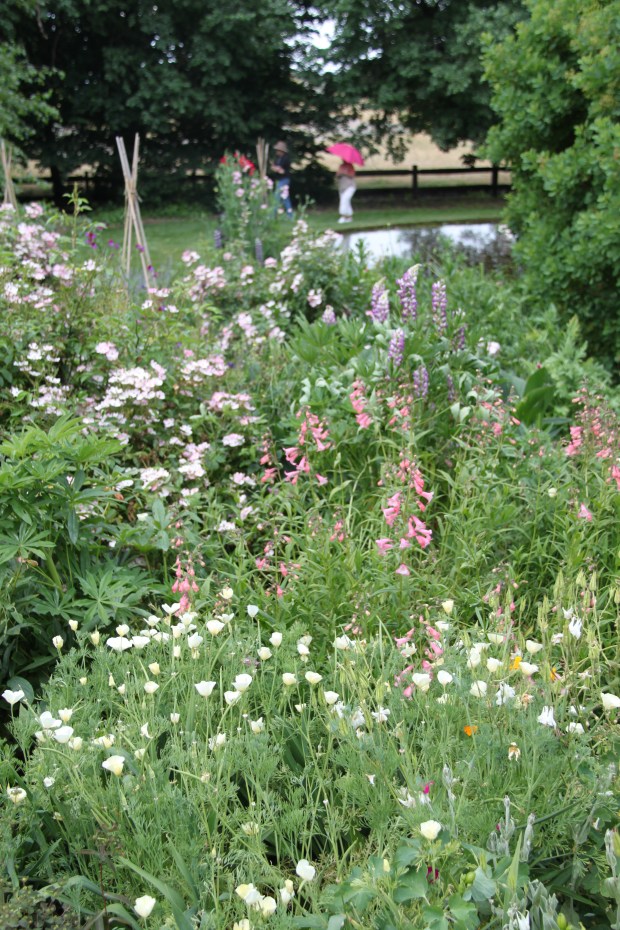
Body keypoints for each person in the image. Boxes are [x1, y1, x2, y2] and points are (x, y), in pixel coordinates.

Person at [271, 141, 293, 217]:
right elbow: (275, 168)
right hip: (280, 179)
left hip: (284, 179)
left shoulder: (286, 159)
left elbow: (283, 171)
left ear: (281, 151)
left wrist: (277, 169)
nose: (276, 151)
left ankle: (272, 215)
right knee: (285, 198)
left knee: (276, 196)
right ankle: (290, 216)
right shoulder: (278, 158)